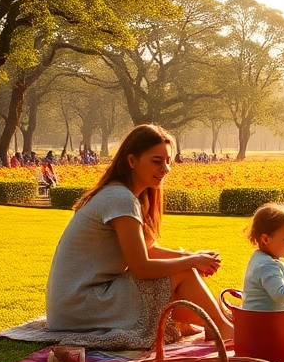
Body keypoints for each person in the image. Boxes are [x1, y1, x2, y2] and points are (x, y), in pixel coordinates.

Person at [45, 124, 230, 349]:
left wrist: (192, 255)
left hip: (70, 307)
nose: (166, 169)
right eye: (156, 161)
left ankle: (217, 324)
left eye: (168, 161)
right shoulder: (120, 198)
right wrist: (191, 261)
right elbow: (142, 267)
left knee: (176, 281)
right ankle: (226, 330)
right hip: (78, 306)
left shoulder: (124, 195)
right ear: (132, 161)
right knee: (183, 270)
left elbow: (148, 249)